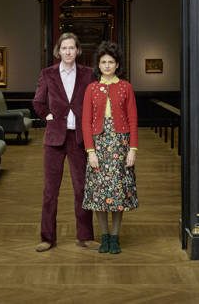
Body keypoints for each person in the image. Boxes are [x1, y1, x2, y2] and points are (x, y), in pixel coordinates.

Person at [32, 32, 97, 252]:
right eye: (64, 48)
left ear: (78, 50)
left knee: (82, 188)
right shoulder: (48, 74)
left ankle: (85, 236)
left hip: (78, 138)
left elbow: (94, 104)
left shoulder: (89, 74)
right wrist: (49, 117)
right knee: (50, 190)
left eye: (72, 48)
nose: (68, 52)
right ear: (58, 51)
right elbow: (38, 102)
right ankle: (47, 238)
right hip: (54, 139)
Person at [82, 41, 138, 254]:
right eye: (103, 62)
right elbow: (86, 122)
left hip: (120, 144)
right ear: (98, 64)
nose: (107, 65)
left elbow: (133, 120)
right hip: (98, 145)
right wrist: (90, 151)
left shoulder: (126, 87)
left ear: (117, 65)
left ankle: (115, 237)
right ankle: (103, 236)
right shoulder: (91, 88)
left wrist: (132, 149)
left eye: (111, 62)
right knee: (99, 194)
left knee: (118, 193)